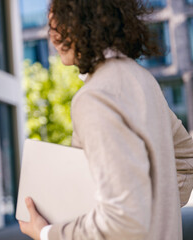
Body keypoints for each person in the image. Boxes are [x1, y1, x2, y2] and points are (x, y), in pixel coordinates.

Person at [19, 0, 193, 239]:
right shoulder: (142, 79)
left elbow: (123, 219)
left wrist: (47, 233)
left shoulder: (95, 96)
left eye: (56, 27)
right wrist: (157, 212)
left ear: (84, 22)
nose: (52, 38)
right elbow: (186, 156)